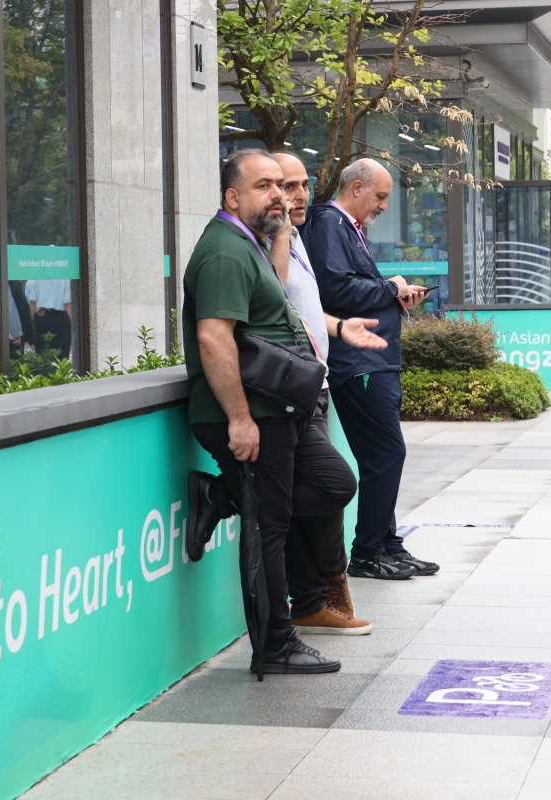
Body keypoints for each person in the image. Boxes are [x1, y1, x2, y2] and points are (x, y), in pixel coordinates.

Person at [181, 148, 386, 675]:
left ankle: (221, 496)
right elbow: (214, 337)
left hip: (280, 407)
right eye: (264, 186)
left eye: (281, 184)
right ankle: (275, 645)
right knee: (267, 527)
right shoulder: (224, 250)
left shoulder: (250, 242)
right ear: (232, 197)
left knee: (334, 483)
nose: (279, 194)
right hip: (254, 412)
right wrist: (240, 419)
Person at [300, 158, 437, 581]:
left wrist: (394, 296)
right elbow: (335, 288)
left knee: (384, 456)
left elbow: (352, 288)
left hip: (373, 361)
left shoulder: (345, 227)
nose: (382, 207)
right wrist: (391, 287)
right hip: (359, 363)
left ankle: (387, 544)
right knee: (386, 454)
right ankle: (368, 551)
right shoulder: (329, 224)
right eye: (379, 196)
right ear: (356, 187)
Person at [268, 150, 372, 635]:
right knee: (334, 485)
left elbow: (303, 309)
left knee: (317, 497)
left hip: (316, 385)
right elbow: (273, 296)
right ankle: (326, 586)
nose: (299, 195)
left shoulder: (298, 235)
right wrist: (280, 230)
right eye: (287, 186)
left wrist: (339, 327)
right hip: (292, 392)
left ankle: (316, 596)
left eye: (304, 185)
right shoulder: (273, 238)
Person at [25, 280, 72, 359]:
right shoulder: (65, 278)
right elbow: (67, 303)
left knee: (42, 352)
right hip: (60, 319)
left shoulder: (35, 278)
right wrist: (74, 325)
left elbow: (32, 302)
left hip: (41, 318)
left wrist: (30, 325)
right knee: (62, 353)